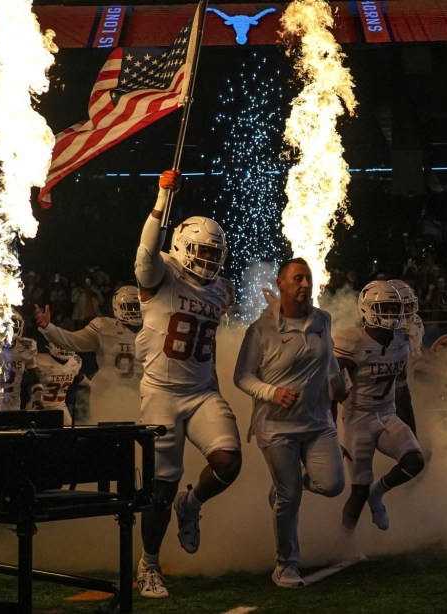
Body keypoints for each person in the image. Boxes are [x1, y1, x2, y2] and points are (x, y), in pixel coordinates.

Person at [133, 170, 242, 598]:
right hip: (161, 392)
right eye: (200, 250)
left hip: (200, 392)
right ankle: (150, 565)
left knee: (229, 463)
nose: (209, 259)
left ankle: (191, 505)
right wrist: (162, 196)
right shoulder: (162, 273)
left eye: (215, 252)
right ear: (180, 246)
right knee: (161, 487)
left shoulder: (221, 289)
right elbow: (145, 251)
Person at [233, 258, 345, 588]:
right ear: (280, 283)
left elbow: (330, 359)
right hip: (276, 426)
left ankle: (287, 486)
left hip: (317, 422)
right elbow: (241, 376)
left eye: (307, 279)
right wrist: (271, 392)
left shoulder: (323, 318)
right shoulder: (260, 329)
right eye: (298, 279)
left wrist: (340, 387)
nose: (305, 285)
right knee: (290, 496)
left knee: (333, 484)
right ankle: (285, 566)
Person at [335, 280, 425, 533]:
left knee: (415, 461)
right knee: (358, 490)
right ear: (366, 309)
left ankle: (379, 493)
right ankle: (344, 544)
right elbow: (332, 387)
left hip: (387, 414)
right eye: (385, 308)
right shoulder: (352, 341)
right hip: (357, 419)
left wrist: (411, 428)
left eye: (394, 308)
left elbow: (402, 389)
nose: (392, 314)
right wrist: (330, 427)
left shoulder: (402, 340)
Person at [34, 286, 142, 422]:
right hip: (108, 394)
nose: (134, 311)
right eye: (129, 306)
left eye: (137, 306)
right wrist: (48, 327)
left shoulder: (151, 329)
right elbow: (71, 341)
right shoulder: (104, 326)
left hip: (138, 394)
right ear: (117, 307)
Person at [389, 279, 423, 434]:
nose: (409, 309)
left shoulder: (415, 322)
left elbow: (415, 356)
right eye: (405, 305)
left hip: (409, 383)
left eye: (410, 304)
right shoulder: (388, 329)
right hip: (391, 391)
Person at [31, 342, 89, 425]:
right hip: (38, 405)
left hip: (60, 406)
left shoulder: (75, 361)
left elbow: (76, 377)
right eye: (61, 343)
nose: (65, 347)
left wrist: (91, 384)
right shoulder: (38, 360)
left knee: (68, 434)